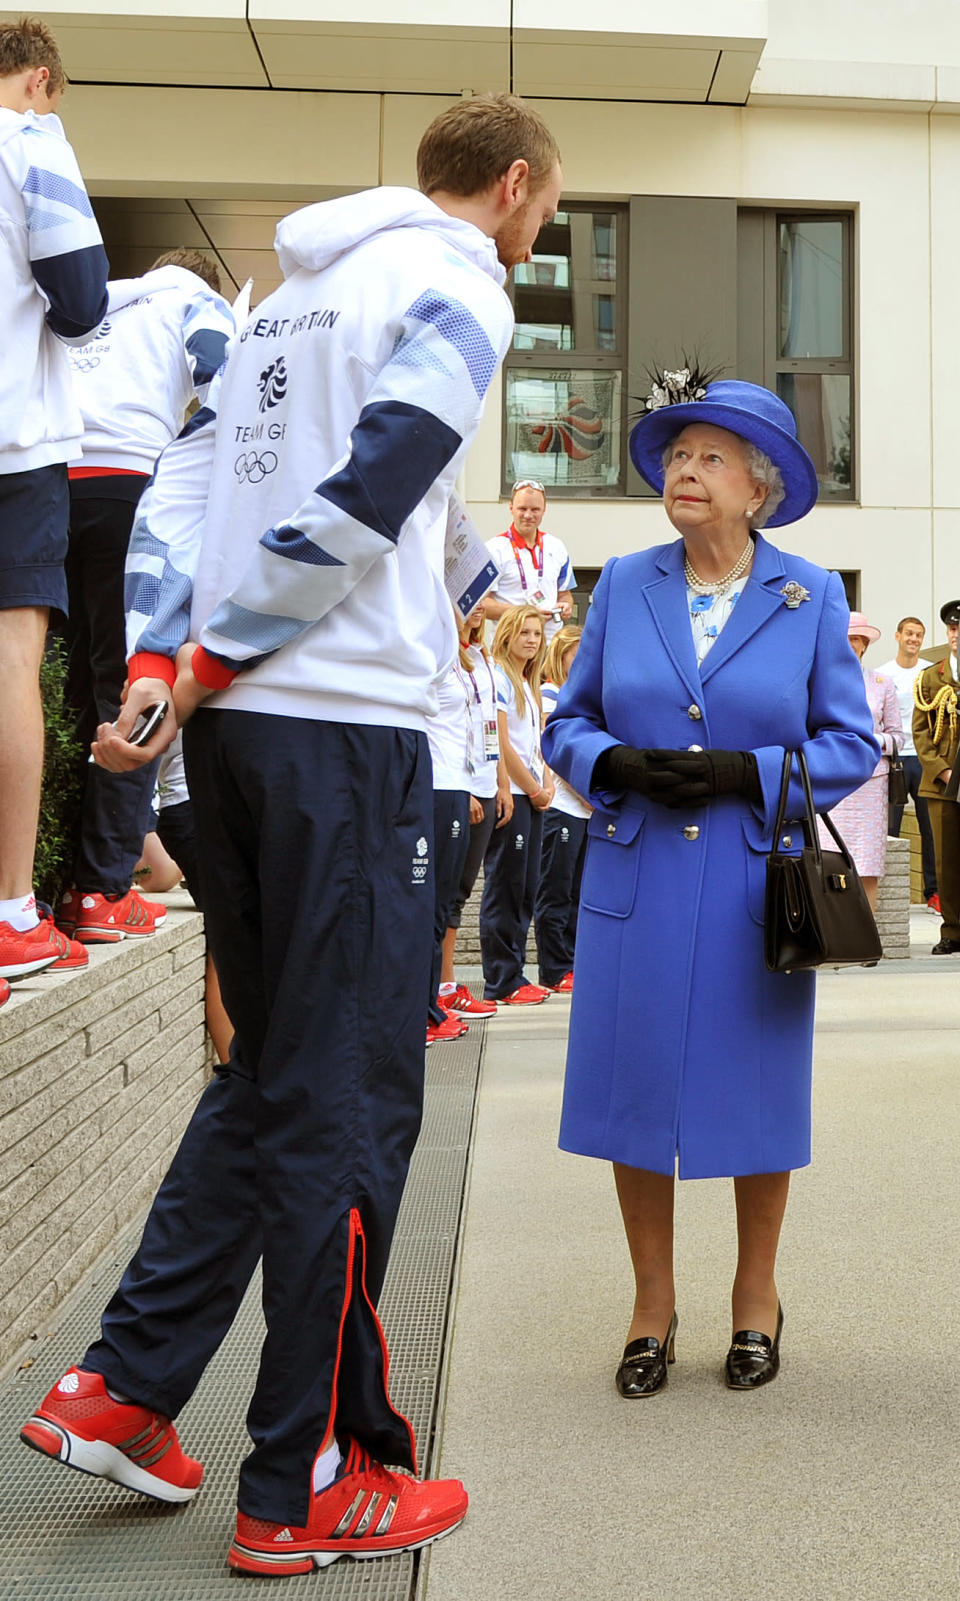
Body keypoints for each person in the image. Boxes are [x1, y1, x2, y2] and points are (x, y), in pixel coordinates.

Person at [20, 92, 562, 1576]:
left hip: (243, 742)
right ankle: (308, 1478)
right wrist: (207, 657)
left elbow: (176, 493)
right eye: (542, 214)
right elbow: (382, 475)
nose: (533, 236)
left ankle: (123, 1387)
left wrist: (162, 660)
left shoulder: (281, 302)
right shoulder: (454, 281)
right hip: (343, 736)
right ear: (514, 188)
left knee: (271, 1073)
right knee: (349, 1099)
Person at [542, 374, 877, 1397]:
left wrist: (749, 771)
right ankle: (652, 1306)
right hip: (636, 878)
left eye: (710, 457)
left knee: (754, 1096)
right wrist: (616, 765)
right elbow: (567, 721)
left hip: (751, 887)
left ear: (757, 488)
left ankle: (755, 1298)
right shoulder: (628, 584)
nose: (685, 470)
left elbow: (851, 742)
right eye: (677, 455)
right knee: (634, 1093)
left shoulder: (808, 593)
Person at [55, 249, 235, 943]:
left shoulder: (96, 306)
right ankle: (100, 889)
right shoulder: (192, 300)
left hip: (52, 485)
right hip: (134, 484)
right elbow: (228, 377)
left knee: (65, 690)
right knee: (130, 683)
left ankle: (52, 887)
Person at [0, 16, 109, 982]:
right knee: (12, 658)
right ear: (40, 79)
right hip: (13, 441)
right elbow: (80, 296)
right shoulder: (31, 139)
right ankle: (10, 907)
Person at [438, 601, 513, 1020]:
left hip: (485, 782)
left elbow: (488, 726)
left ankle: (446, 986)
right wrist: (462, 791)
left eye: (482, 602)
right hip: (457, 784)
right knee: (445, 894)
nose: (478, 609)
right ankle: (441, 985)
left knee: (462, 890)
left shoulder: (482, 658)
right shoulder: (446, 657)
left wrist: (501, 783)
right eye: (467, 603)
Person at [479, 604, 553, 1005]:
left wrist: (544, 781)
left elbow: (533, 743)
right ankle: (501, 980)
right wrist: (530, 787)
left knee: (526, 888)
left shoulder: (530, 682)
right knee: (505, 887)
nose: (531, 640)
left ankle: (517, 973)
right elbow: (502, 743)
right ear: (507, 633)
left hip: (533, 795)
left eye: (537, 634)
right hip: (517, 795)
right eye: (524, 632)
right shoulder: (501, 678)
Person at [817, 613, 900, 913]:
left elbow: (898, 737)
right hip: (832, 781)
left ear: (865, 645)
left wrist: (874, 741)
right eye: (849, 638)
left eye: (858, 639)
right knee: (829, 859)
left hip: (871, 782)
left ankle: (866, 942)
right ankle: (833, 941)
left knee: (867, 862)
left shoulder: (882, 683)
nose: (853, 645)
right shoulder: (822, 680)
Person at [535, 624, 590, 993]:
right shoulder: (549, 696)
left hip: (585, 811)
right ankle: (554, 968)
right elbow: (555, 754)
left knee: (576, 893)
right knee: (555, 891)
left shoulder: (582, 699)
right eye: (578, 653)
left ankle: (572, 962)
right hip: (563, 807)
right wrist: (586, 794)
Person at [876, 616, 939, 912]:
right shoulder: (883, 675)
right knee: (891, 828)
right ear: (898, 636)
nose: (914, 639)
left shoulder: (931, 672)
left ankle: (934, 892)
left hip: (926, 759)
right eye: (909, 634)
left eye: (919, 635)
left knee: (931, 828)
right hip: (895, 759)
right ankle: (887, 891)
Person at [913, 600, 960, 955]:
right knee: (946, 859)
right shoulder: (932, 677)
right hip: (944, 781)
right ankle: (953, 931)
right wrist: (940, 770)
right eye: (952, 629)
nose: (956, 635)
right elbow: (920, 733)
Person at [483, 478, 575, 641]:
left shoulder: (556, 547)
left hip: (549, 645)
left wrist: (566, 606)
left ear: (544, 510)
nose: (528, 515)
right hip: (509, 645)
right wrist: (525, 614)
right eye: (522, 508)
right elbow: (482, 604)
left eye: (535, 509)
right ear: (511, 508)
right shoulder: (494, 549)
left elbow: (565, 594)